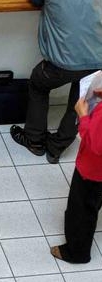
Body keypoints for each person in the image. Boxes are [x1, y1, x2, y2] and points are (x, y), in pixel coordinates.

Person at [10, 0, 102, 164]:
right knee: (81, 98)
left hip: (61, 63)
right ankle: (57, 147)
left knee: (39, 84)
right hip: (97, 59)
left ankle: (34, 140)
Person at [50, 90, 102, 264]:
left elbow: (96, 143)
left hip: (94, 170)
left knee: (81, 209)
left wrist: (83, 116)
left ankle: (77, 252)